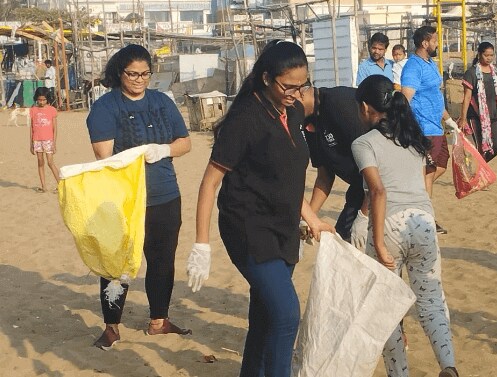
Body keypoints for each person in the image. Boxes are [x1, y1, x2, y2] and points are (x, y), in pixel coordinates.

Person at [186, 40, 334, 376]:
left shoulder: (293, 110)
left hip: (283, 227)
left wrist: (312, 218)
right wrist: (201, 244)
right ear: (266, 78)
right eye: (288, 86)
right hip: (248, 227)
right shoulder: (245, 118)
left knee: (265, 317)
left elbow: (285, 178)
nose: (295, 93)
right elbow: (209, 183)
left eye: (302, 85)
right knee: (286, 314)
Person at [351, 75, 459, 377]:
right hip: (423, 219)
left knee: (388, 309)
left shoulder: (363, 144)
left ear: (365, 107)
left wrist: (376, 239)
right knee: (432, 302)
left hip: (390, 225)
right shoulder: (411, 139)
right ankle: (448, 365)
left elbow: (377, 192)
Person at [86, 44, 192, 350]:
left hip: (165, 195)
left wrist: (165, 149)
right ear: (120, 73)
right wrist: (134, 155)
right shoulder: (105, 108)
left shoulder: (162, 102)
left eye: (145, 74)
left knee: (162, 261)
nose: (139, 79)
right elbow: (103, 156)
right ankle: (111, 327)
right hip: (123, 199)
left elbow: (185, 142)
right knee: (117, 265)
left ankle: (159, 321)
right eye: (132, 74)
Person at [401, 26, 457, 234]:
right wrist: (407, 125)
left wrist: (449, 119)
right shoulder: (413, 67)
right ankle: (426, 218)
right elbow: (406, 97)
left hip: (437, 126)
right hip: (423, 128)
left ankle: (415, 200)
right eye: (434, 40)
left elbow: (435, 95)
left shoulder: (431, 63)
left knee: (440, 165)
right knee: (428, 171)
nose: (437, 44)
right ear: (424, 43)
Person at [299, 85, 369, 244]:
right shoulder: (308, 123)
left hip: (381, 190)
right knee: (342, 242)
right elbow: (324, 177)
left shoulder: (339, 103)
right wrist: (309, 218)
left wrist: (364, 216)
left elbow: (378, 168)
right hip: (360, 189)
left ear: (300, 92)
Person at [458, 42, 497, 162]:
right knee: (482, 149)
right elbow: (467, 97)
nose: (489, 58)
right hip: (477, 117)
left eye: (491, 55)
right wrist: (463, 118)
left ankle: (480, 167)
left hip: (495, 115)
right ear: (479, 54)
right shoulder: (471, 73)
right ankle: (479, 173)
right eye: (486, 55)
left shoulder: (495, 72)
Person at [29, 86, 59, 193]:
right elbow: (31, 128)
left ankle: (60, 184)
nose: (41, 102)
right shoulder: (33, 110)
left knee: (50, 162)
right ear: (36, 98)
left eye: (44, 100)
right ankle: (43, 186)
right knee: (40, 162)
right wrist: (31, 144)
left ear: (48, 99)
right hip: (37, 140)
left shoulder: (52, 110)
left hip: (48, 140)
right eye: (39, 100)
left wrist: (54, 143)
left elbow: (55, 128)